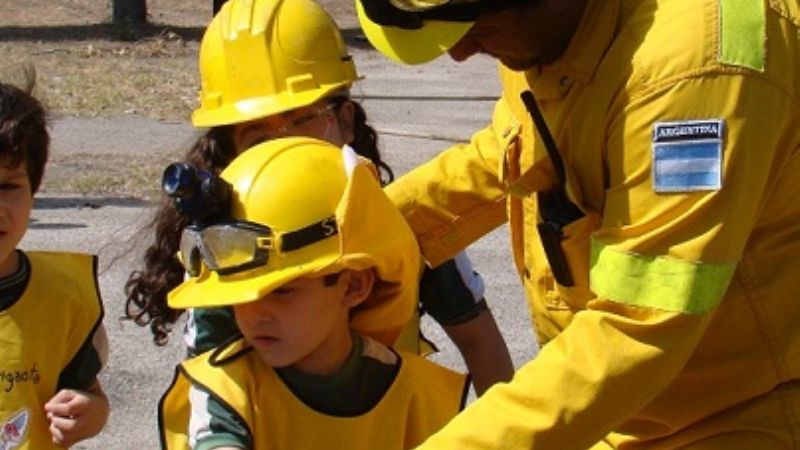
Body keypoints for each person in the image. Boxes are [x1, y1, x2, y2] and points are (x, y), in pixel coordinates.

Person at [355, 0, 800, 448]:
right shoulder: (545, 36)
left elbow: (639, 322)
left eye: (477, 27)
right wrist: (354, 232)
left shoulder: (696, 71)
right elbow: (509, 152)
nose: (459, 53)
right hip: (614, 408)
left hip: (741, 417)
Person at [124, 0, 513, 395]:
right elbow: (210, 394)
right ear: (228, 155)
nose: (286, 149)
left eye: (303, 121)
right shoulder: (226, 251)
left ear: (345, 122)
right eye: (258, 137)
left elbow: (480, 342)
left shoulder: (399, 220)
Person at [158, 137, 470, 450]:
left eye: (281, 291)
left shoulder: (423, 397)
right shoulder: (224, 388)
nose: (256, 313)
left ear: (353, 286)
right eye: (240, 294)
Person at [0, 79, 110, 448]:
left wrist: (89, 412)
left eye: (8, 187)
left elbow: (89, 394)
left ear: (34, 190)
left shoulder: (62, 298)